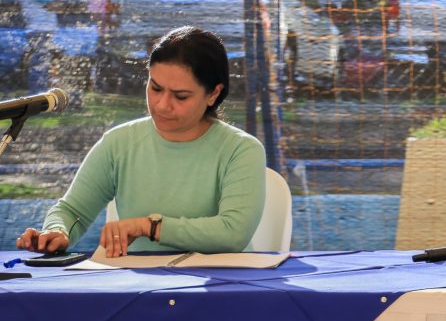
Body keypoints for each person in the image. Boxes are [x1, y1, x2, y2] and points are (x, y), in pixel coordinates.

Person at [16, 26, 266, 257]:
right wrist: (57, 231)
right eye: (155, 88)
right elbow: (72, 211)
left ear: (213, 93)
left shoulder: (241, 150)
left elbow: (233, 234)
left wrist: (150, 226)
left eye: (180, 96)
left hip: (225, 284)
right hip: (138, 285)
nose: (162, 105)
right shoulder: (120, 143)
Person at [19, 0, 58, 91]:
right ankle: (39, 91)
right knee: (41, 61)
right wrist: (58, 2)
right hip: (43, 28)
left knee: (36, 59)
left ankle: (35, 89)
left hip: (32, 27)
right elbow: (50, 6)